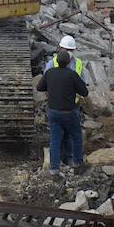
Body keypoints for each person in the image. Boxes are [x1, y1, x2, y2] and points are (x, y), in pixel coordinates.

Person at [37, 46, 90, 175]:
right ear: (68, 62)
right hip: (69, 111)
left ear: (56, 60)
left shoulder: (50, 73)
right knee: (76, 136)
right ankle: (77, 162)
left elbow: (39, 87)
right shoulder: (72, 74)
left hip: (53, 112)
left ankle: (54, 168)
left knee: (55, 139)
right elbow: (85, 92)